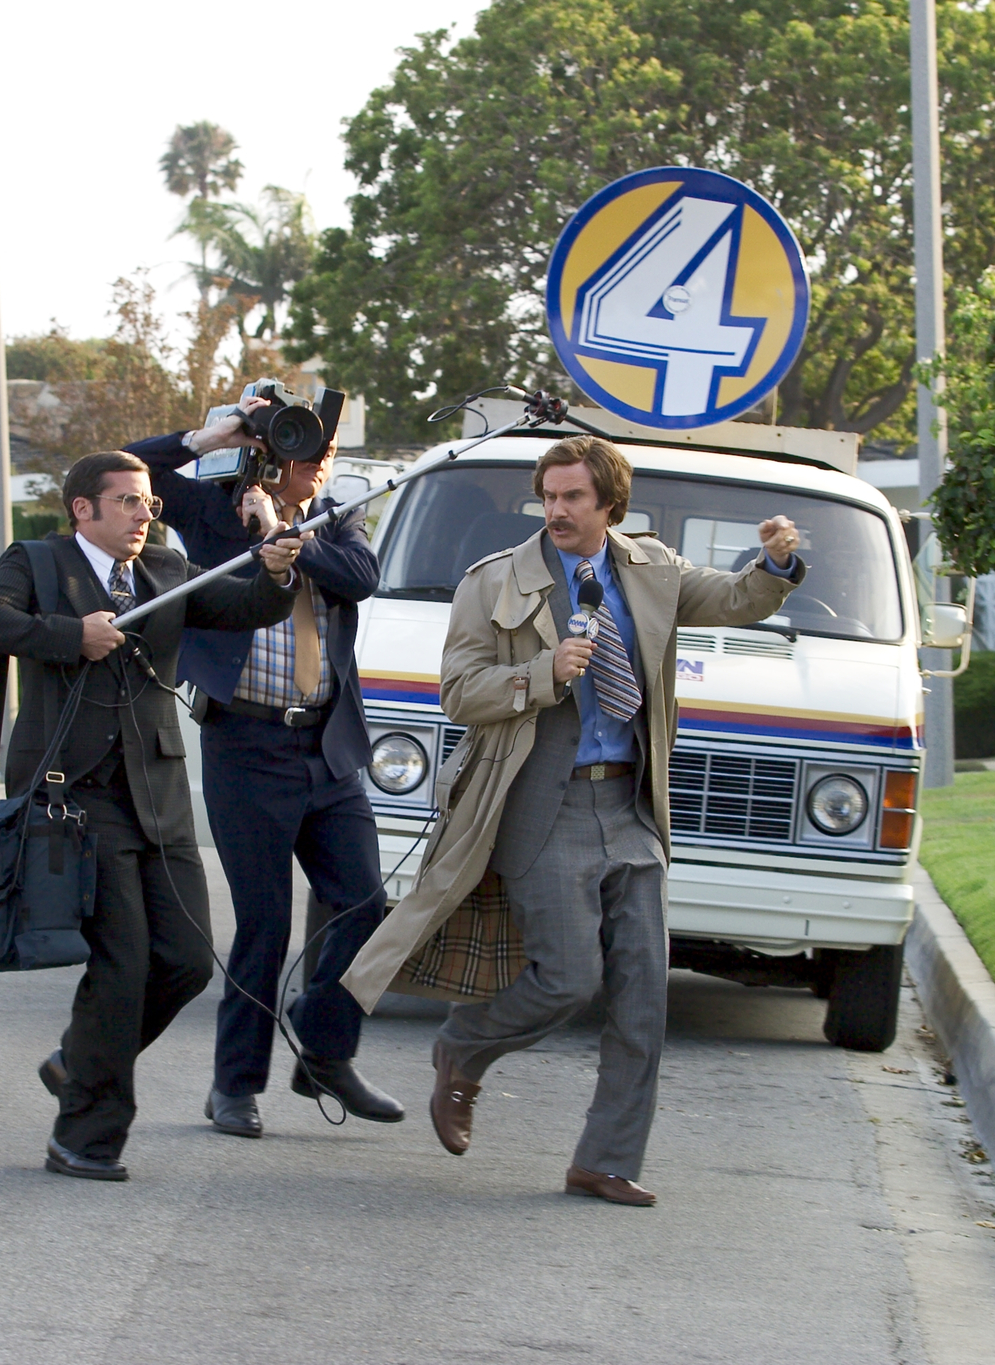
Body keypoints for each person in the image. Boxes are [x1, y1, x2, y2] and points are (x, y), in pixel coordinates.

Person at [340, 435, 805, 1205]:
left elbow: (734, 598)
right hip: (541, 803)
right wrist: (540, 674)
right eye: (548, 497)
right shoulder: (494, 581)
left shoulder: (653, 569)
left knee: (641, 995)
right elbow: (459, 691)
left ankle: (607, 1159)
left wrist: (778, 566)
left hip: (630, 803)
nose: (555, 510)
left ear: (609, 506)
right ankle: (464, 1045)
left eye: (572, 498)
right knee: (568, 978)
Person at [0, 450, 304, 1181]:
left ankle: (79, 1062)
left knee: (185, 959)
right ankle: (86, 1134)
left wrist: (273, 570)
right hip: (76, 798)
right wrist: (68, 635)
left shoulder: (168, 570)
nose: (148, 514)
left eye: (149, 503)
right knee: (123, 964)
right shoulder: (39, 562)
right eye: (130, 502)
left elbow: (243, 609)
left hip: (159, 792)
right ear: (84, 508)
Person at [125, 398, 404, 1139]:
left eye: (328, 451)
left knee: (365, 904)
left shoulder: (339, 518)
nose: (319, 464)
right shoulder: (214, 513)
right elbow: (127, 470)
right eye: (305, 448)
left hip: (328, 747)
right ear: (272, 450)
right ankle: (234, 1086)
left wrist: (286, 537)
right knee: (264, 925)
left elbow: (361, 575)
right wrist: (206, 438)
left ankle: (323, 1047)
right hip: (246, 746)